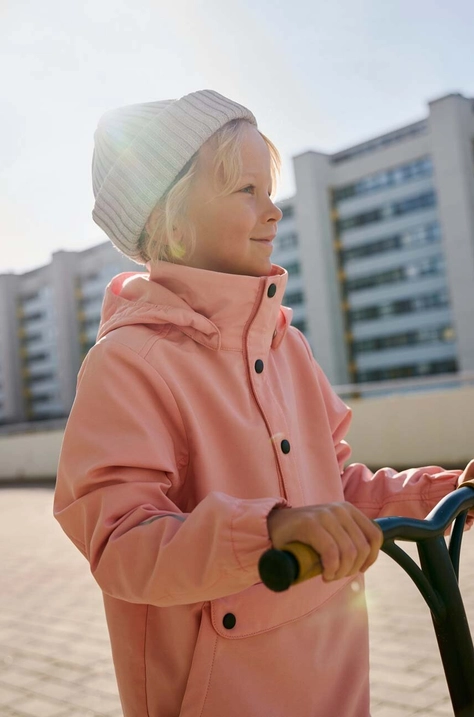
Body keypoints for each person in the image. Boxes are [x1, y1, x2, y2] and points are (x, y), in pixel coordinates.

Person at [53, 89, 474, 717]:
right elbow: (121, 543)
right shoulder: (130, 363)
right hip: (221, 694)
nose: (272, 211)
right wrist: (267, 529)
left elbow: (332, 489)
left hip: (333, 678)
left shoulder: (286, 345)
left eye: (269, 189)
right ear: (170, 217)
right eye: (245, 190)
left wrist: (439, 493)